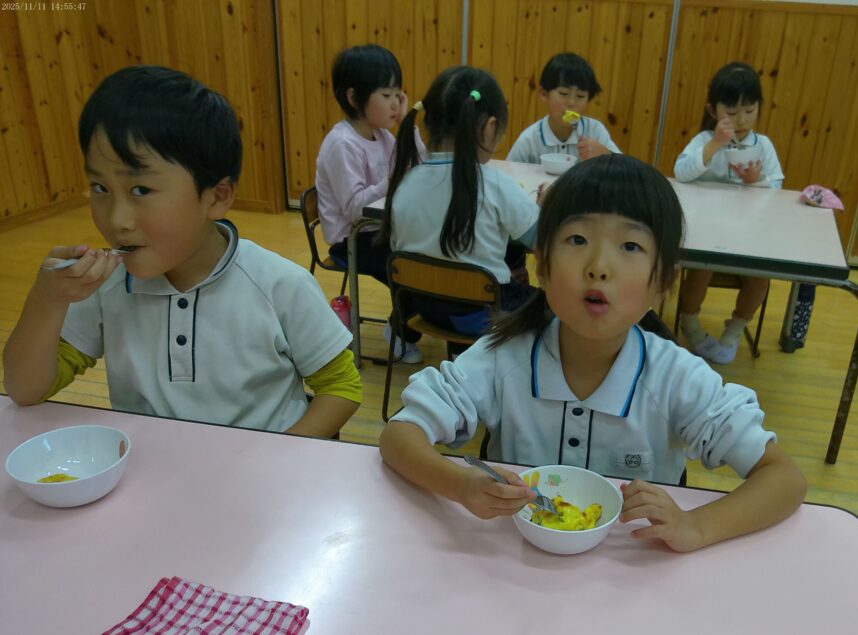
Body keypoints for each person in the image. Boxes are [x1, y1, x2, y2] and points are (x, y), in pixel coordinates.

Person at [379, 155, 805, 553]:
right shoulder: (503, 358)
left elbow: (784, 478)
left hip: (635, 570)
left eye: (630, 246)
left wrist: (696, 526)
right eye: (578, 239)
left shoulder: (676, 377)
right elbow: (399, 437)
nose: (599, 266)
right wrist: (461, 485)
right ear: (541, 265)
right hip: (513, 563)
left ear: (664, 281)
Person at [3, 66, 361, 438]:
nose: (116, 220)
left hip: (262, 466)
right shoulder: (105, 288)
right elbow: (26, 390)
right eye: (99, 187)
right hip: (150, 466)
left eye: (140, 190)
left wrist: (277, 456)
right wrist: (47, 300)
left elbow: (342, 387)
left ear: (216, 197)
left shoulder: (280, 285)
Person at [379, 66, 538, 340]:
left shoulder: (405, 183)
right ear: (490, 127)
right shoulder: (495, 184)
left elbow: (399, 245)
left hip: (423, 308)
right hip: (484, 317)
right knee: (550, 305)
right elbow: (542, 240)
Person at [315, 44, 425, 364]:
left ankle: (403, 326)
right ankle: (400, 332)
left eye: (398, 95)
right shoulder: (342, 144)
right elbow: (354, 209)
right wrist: (394, 178)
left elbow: (419, 165)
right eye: (387, 95)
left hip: (379, 229)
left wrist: (407, 124)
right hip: (351, 240)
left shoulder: (383, 136)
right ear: (354, 98)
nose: (395, 103)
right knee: (412, 266)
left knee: (429, 252)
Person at [673, 62, 784, 365]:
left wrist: (755, 182)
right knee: (701, 269)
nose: (742, 120)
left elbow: (777, 190)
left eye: (749, 110)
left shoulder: (763, 146)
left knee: (760, 278)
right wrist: (714, 145)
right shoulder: (703, 142)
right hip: (708, 232)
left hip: (748, 236)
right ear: (713, 110)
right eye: (732, 112)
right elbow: (681, 173)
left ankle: (735, 329)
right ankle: (689, 322)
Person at [507, 52, 620, 164]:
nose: (571, 103)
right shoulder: (530, 140)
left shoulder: (595, 131)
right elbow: (508, 172)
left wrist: (606, 155)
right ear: (544, 94)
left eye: (580, 96)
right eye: (563, 93)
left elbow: (626, 170)